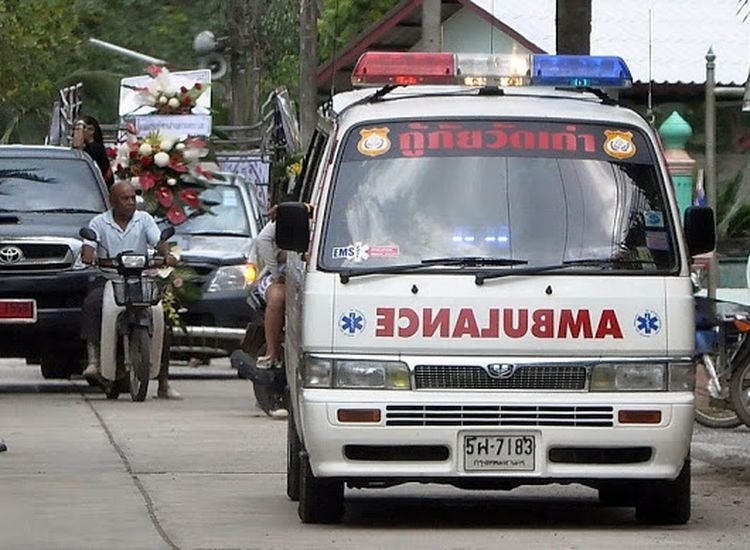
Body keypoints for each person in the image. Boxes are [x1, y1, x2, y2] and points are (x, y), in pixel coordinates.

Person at [80, 181, 180, 398]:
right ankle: (95, 360)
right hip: (110, 279)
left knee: (160, 317)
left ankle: (163, 381)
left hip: (141, 279)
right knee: (92, 303)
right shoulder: (99, 222)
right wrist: (89, 253)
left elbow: (158, 241)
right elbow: (90, 245)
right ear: (112, 201)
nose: (130, 202)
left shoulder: (144, 219)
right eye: (125, 198)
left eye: (133, 198)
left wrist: (167, 255)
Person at [72, 115, 114, 189]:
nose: (76, 132)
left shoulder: (96, 149)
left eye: (80, 128)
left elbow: (77, 146)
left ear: (91, 130)